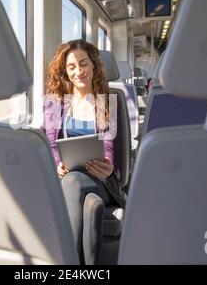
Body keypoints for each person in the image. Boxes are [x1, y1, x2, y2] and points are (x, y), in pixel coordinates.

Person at [43, 39, 126, 265]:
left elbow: (108, 147)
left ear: (93, 65)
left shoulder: (107, 102)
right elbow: (51, 144)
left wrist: (107, 165)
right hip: (69, 178)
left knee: (73, 184)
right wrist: (58, 162)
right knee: (92, 205)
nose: (79, 72)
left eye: (83, 64)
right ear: (65, 72)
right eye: (72, 67)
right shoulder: (54, 103)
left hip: (101, 179)